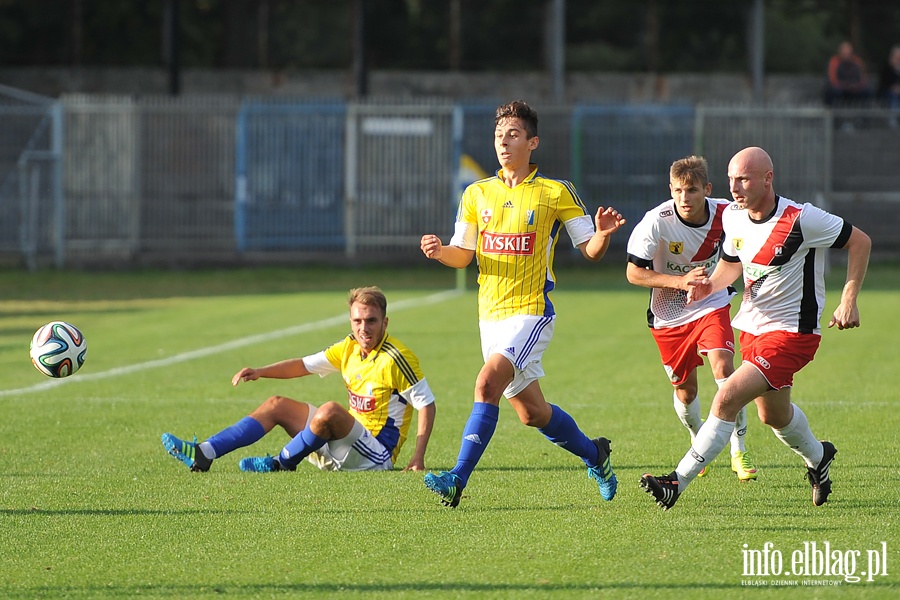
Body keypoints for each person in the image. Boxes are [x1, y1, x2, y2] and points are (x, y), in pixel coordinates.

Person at [419, 99, 626, 508]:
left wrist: (602, 234)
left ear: (533, 142)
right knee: (532, 413)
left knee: (485, 384)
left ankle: (457, 479)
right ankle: (595, 455)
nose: (504, 142)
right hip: (489, 318)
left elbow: (590, 250)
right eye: (499, 135)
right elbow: (464, 253)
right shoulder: (476, 193)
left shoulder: (555, 192)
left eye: (513, 135)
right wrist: (441, 251)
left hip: (531, 312)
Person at [640, 147, 871, 510]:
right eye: (732, 179)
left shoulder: (801, 218)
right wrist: (708, 286)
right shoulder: (733, 216)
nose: (735, 187)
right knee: (773, 415)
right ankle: (819, 458)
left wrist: (848, 298)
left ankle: (676, 481)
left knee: (727, 395)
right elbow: (731, 265)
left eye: (744, 179)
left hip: (792, 332)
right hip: (752, 328)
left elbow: (860, 241)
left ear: (768, 179)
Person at [161, 286, 437, 474]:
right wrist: (260, 371)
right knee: (276, 404)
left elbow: (427, 404)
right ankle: (205, 453)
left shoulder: (397, 357)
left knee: (329, 410)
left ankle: (280, 463)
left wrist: (417, 457)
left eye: (371, 321)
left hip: (376, 457)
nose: (363, 328)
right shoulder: (348, 347)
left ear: (385, 323)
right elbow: (303, 365)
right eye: (357, 321)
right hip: (339, 444)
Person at [625, 155, 757, 482]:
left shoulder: (728, 214)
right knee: (686, 392)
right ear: (670, 190)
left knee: (725, 372)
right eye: (678, 191)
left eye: (693, 191)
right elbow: (633, 272)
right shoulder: (657, 221)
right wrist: (680, 281)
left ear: (707, 190)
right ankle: (700, 436)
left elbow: (759, 234)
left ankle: (739, 451)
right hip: (669, 313)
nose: (685, 199)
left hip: (711, 301)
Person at [824, 41, 873, 106]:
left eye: (847, 51)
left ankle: (864, 114)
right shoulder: (834, 61)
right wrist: (844, 85)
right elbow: (833, 79)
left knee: (867, 91)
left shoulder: (857, 61)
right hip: (840, 88)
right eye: (844, 51)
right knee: (833, 92)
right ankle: (834, 113)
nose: (846, 53)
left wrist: (856, 86)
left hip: (855, 88)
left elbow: (863, 77)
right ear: (840, 51)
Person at [878, 45, 900, 125]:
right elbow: (884, 82)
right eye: (897, 56)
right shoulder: (886, 67)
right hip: (887, 91)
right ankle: (893, 118)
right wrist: (893, 87)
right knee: (893, 95)